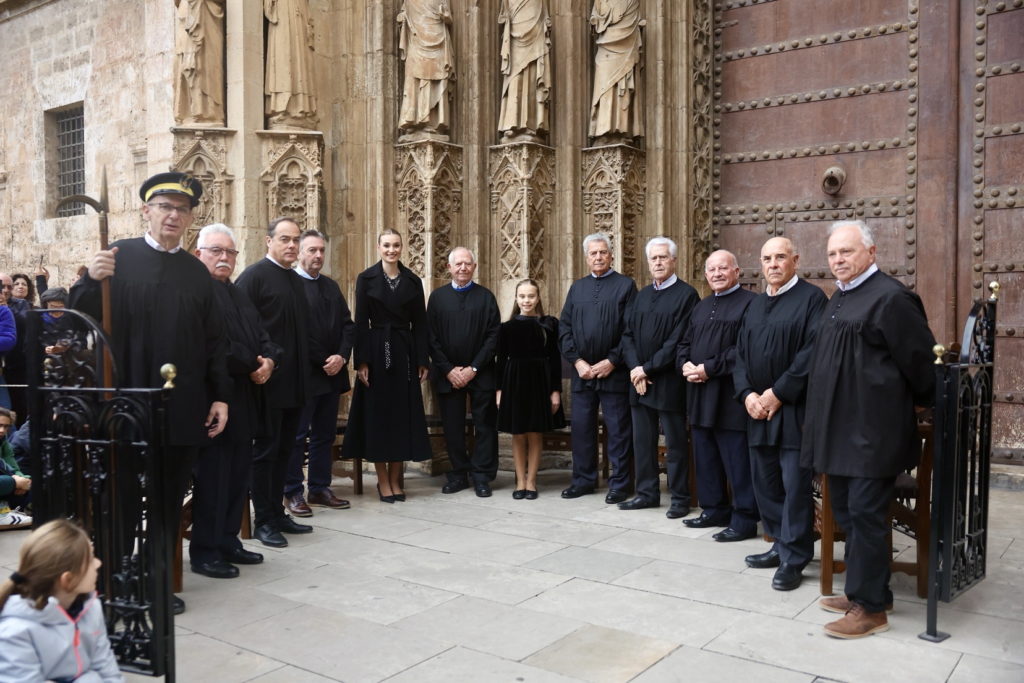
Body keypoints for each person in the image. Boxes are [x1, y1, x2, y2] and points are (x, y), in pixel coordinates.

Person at [68, 172, 231, 615]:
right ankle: (116, 579)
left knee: (167, 495)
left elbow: (214, 341)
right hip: (124, 402)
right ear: (147, 211)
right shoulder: (119, 257)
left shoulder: (197, 274)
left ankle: (159, 577)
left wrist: (219, 396)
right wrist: (88, 281)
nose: (173, 215)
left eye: (182, 209)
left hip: (180, 404)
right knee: (119, 496)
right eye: (165, 207)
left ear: (190, 217)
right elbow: (77, 321)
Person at [803, 220, 936, 639]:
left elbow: (920, 364)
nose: (838, 260)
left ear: (872, 252)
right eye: (832, 254)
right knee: (845, 512)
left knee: (865, 515)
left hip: (871, 431)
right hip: (839, 430)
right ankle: (870, 589)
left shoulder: (892, 298)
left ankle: (871, 609)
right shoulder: (839, 297)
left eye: (847, 251)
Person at [733, 237, 827, 591]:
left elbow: (811, 354)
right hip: (757, 410)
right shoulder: (755, 305)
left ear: (795, 260)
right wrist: (747, 395)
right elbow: (739, 354)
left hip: (793, 411)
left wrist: (777, 394)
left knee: (794, 487)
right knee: (766, 483)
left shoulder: (812, 299)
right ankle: (777, 542)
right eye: (767, 259)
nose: (773, 264)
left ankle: (795, 557)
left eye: (780, 258)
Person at [189, 223, 281, 578]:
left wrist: (270, 359)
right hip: (213, 397)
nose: (224, 258)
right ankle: (205, 551)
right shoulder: (198, 292)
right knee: (214, 476)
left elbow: (263, 336)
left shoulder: (237, 292)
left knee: (238, 475)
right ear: (200, 254)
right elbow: (213, 347)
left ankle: (228, 540)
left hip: (245, 396)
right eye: (216, 251)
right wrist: (253, 361)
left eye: (230, 252)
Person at [236, 217, 313, 548]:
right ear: (269, 241)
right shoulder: (253, 277)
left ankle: (279, 512)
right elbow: (240, 327)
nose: (292, 245)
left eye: (295, 240)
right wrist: (259, 363)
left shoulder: (295, 280)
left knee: (287, 450)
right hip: (267, 383)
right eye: (285, 239)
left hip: (294, 383)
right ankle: (264, 518)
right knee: (266, 453)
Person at [341, 229, 431, 501]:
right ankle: (382, 481)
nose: (391, 250)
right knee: (378, 417)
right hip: (377, 351)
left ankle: (396, 478)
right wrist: (362, 362)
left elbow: (421, 324)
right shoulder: (366, 278)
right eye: (386, 245)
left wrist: (422, 360)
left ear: (402, 248)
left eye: (396, 245)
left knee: (402, 417)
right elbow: (360, 322)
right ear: (378, 247)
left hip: (404, 352)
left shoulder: (413, 281)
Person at [678, 250, 759, 540]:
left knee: (736, 460)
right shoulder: (701, 306)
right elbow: (684, 342)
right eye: (711, 269)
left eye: (723, 268)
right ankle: (714, 510)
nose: (716, 274)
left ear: (737, 271)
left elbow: (745, 349)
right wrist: (684, 363)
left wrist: (709, 368)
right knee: (706, 455)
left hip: (730, 397)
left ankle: (745, 518)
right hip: (699, 395)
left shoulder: (752, 304)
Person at [618, 237, 699, 517]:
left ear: (674, 260)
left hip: (667, 383)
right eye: (654, 258)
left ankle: (679, 497)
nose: (658, 262)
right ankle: (646, 493)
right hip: (639, 383)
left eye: (664, 257)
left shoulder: (687, 295)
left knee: (675, 444)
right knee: (642, 443)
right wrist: (635, 368)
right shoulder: (641, 294)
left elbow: (677, 341)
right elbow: (627, 335)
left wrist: (647, 369)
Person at [558, 233, 637, 502]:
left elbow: (630, 330)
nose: (599, 257)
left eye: (603, 252)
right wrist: (577, 361)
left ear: (611, 255)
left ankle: (620, 483)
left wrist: (612, 361)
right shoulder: (577, 288)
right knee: (581, 429)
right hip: (583, 373)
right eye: (593, 253)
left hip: (613, 372)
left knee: (618, 430)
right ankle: (583, 480)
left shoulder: (626, 286)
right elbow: (564, 328)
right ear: (586, 257)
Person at [284, 229, 356, 516]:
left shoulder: (330, 286)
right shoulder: (291, 285)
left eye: (321, 251)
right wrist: (325, 358)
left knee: (325, 435)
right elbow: (296, 332)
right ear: (300, 252)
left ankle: (319, 487)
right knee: (297, 435)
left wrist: (341, 355)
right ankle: (292, 491)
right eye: (312, 250)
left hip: (332, 374)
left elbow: (348, 325)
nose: (318, 256)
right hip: (304, 375)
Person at [0, 519, 121, 682]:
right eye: (91, 559)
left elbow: (106, 667)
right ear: (68, 579)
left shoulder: (90, 607)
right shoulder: (15, 631)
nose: (98, 563)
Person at [427, 247, 500, 497]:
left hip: (481, 372)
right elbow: (431, 338)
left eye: (467, 264)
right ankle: (458, 474)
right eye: (458, 264)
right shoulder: (437, 299)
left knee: (485, 426)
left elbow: (493, 337)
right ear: (449, 268)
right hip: (448, 374)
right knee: (453, 427)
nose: (462, 268)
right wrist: (448, 370)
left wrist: (473, 368)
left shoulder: (486, 297)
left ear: (474, 267)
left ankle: (481, 476)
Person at [496, 278, 565, 499]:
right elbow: (500, 361)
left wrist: (555, 391)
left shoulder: (549, 324)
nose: (527, 300)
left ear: (538, 298)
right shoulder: (506, 327)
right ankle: (520, 481)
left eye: (531, 296)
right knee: (518, 433)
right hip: (514, 381)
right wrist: (499, 391)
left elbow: (554, 359)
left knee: (535, 432)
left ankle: (532, 482)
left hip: (540, 382)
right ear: (516, 298)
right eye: (522, 296)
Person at [0, 407, 31, 530]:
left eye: (6, 427)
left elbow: (11, 462)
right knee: (9, 481)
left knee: (28, 483)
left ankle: (5, 511)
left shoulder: (3, 440)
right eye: (0, 425)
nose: (2, 430)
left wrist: (22, 479)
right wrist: (15, 479)